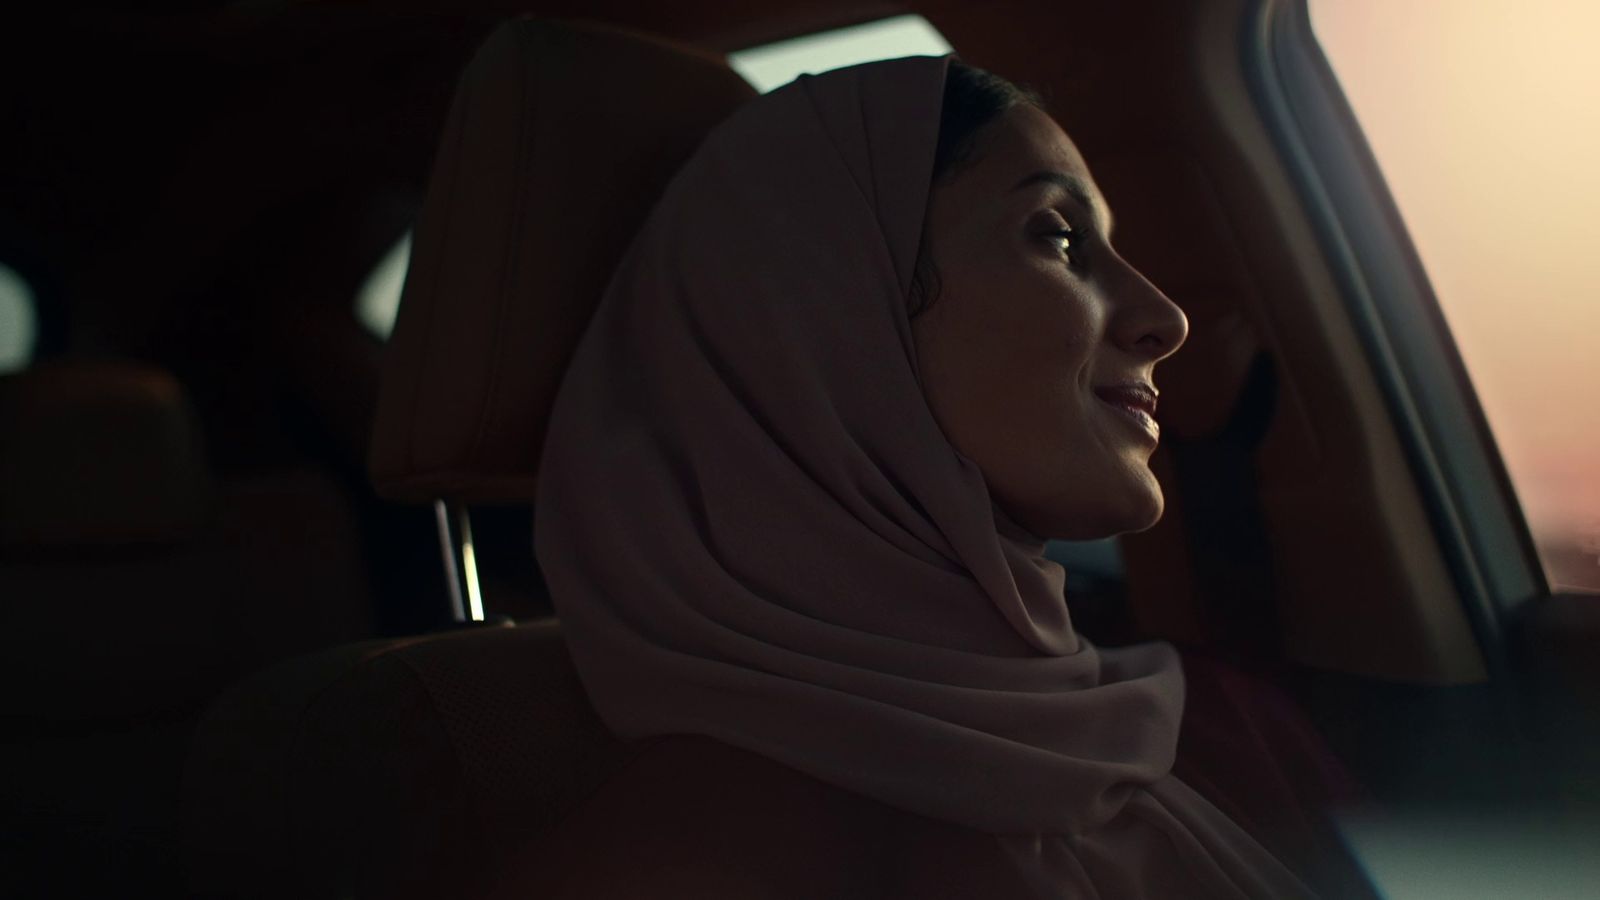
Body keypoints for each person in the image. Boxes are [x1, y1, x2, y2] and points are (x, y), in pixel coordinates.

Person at [498, 53, 1374, 898]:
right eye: (1059, 238)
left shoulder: (1139, 732)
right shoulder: (682, 868)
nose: (1166, 317)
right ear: (828, 318)